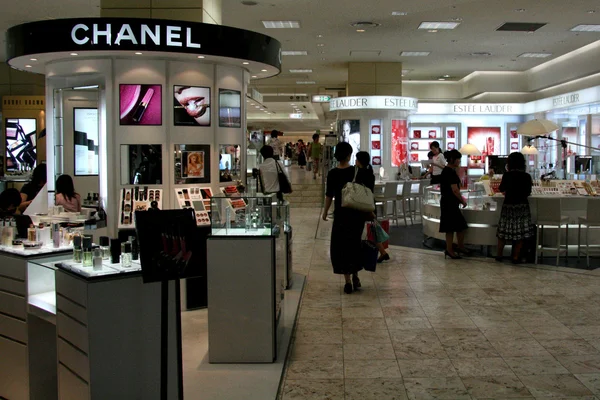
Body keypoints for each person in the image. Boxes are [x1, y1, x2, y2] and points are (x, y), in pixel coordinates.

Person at [322, 142, 372, 294]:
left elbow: (329, 195)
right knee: (355, 244)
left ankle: (347, 281)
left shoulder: (332, 173)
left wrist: (325, 212)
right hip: (356, 214)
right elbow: (367, 189)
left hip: (341, 215)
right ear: (350, 155)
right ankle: (356, 275)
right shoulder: (356, 171)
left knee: (341, 247)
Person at [496, 152, 533, 264]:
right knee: (520, 233)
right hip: (522, 206)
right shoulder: (526, 176)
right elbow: (528, 192)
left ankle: (499, 255)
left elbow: (501, 188)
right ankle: (515, 257)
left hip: (508, 205)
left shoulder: (507, 175)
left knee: (503, 231)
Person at [355, 151, 390, 263]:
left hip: (362, 204)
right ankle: (383, 252)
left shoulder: (360, 173)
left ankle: (359, 253)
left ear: (360, 161)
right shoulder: (370, 172)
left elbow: (357, 188)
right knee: (373, 228)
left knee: (359, 229)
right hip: (370, 202)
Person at [439, 149, 469, 259]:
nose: (459, 161)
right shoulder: (449, 172)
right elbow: (455, 189)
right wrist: (462, 200)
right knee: (453, 227)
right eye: (458, 159)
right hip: (449, 203)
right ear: (452, 159)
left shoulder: (448, 171)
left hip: (448, 202)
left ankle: (455, 247)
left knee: (455, 226)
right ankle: (451, 249)